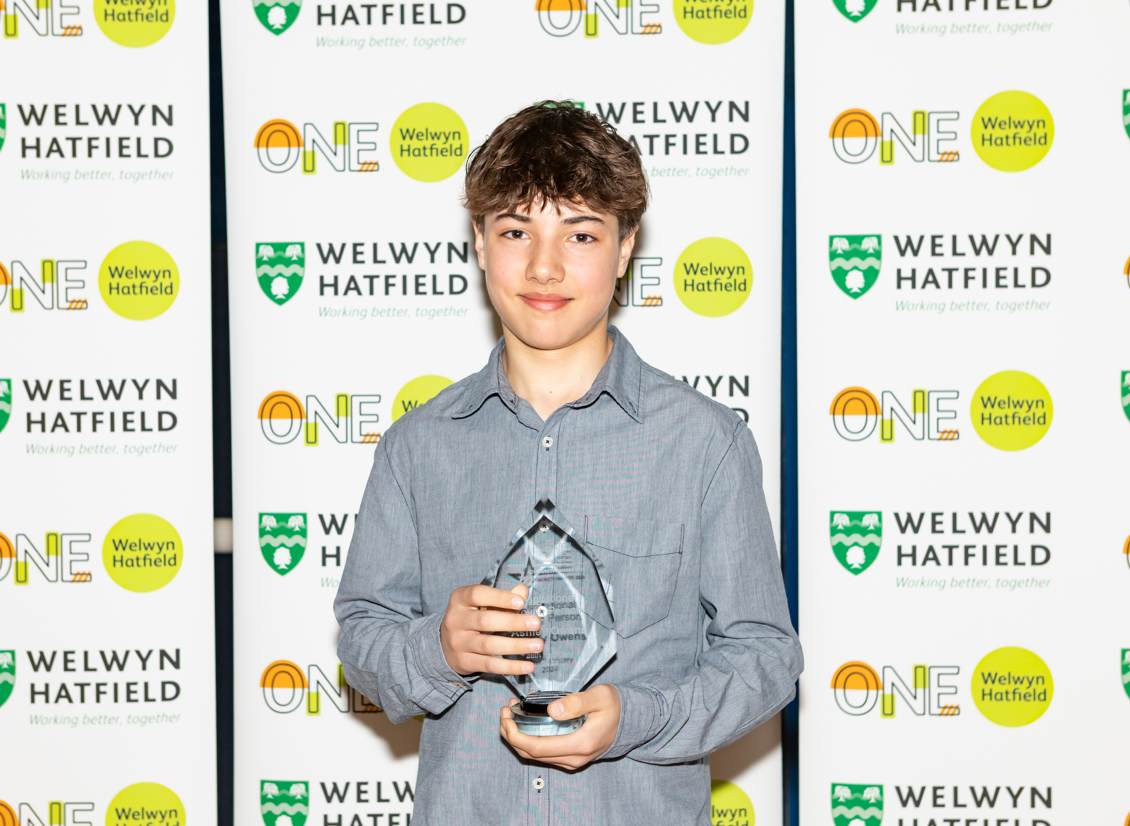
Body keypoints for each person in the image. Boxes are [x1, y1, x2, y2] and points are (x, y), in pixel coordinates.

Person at [335, 101, 802, 825]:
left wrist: (636, 718)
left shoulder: (704, 442)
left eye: (579, 234)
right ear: (481, 245)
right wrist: (439, 646)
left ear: (623, 249)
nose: (544, 265)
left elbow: (765, 656)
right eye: (516, 231)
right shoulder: (417, 447)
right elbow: (363, 637)